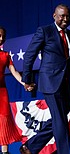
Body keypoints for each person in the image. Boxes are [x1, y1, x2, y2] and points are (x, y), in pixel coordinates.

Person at [19, 4, 70, 154]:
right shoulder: (45, 31)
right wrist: (27, 79)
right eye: (62, 16)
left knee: (59, 118)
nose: (65, 19)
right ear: (54, 16)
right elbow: (30, 55)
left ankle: (30, 147)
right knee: (61, 121)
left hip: (65, 83)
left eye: (68, 16)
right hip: (49, 82)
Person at [0, 26, 32, 154]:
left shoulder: (6, 55)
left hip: (2, 93)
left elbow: (14, 72)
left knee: (4, 122)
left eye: (3, 36)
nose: (1, 39)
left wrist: (25, 83)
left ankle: (5, 152)